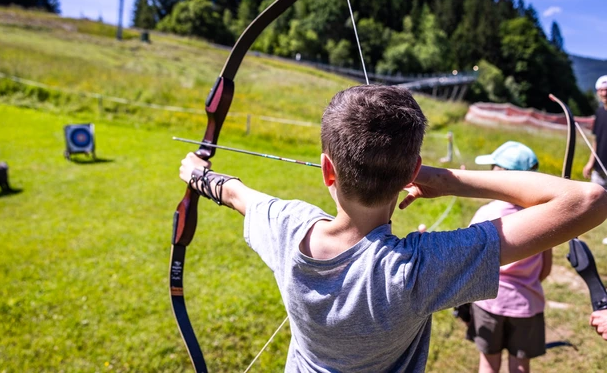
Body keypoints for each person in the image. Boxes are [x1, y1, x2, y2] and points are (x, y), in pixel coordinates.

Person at [179, 85, 607, 372]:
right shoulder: (421, 268)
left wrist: (197, 173)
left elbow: (235, 193)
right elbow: (588, 200)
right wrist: (446, 180)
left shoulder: (288, 227)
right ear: (413, 172)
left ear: (328, 170)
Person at [465, 141, 552, 373]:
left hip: (489, 302)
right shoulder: (542, 218)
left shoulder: (486, 214)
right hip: (527, 304)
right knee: (521, 365)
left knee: (488, 363)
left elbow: (470, 261)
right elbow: (545, 269)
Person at [582, 75, 607, 188]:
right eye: (601, 90)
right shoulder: (599, 113)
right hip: (598, 170)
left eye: (606, 90)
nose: (604, 93)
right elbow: (596, 140)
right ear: (598, 92)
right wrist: (590, 162)